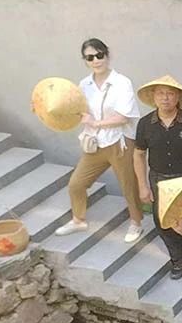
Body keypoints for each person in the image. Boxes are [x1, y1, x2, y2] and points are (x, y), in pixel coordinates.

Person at [54, 38, 144, 242]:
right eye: (90, 57)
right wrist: (45, 108)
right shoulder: (84, 85)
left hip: (120, 142)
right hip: (95, 144)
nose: (96, 60)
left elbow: (123, 117)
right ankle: (78, 220)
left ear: (107, 55)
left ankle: (136, 222)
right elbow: (73, 109)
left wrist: (95, 123)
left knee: (128, 185)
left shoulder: (122, 82)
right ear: (85, 60)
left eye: (99, 55)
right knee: (76, 184)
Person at [133, 75, 182, 279]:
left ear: (178, 97)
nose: (165, 98)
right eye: (160, 93)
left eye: (170, 94)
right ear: (154, 97)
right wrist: (142, 185)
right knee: (163, 221)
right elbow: (139, 154)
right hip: (159, 179)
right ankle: (178, 258)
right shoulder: (145, 124)